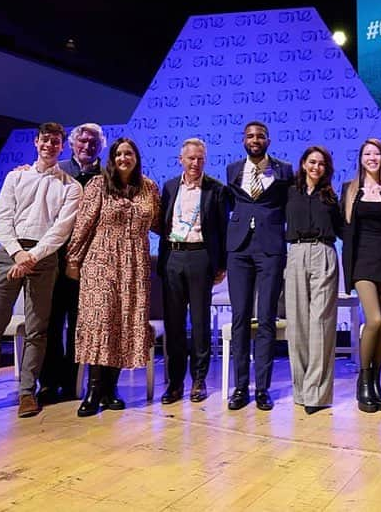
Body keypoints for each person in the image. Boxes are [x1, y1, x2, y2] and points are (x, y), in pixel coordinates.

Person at [0, 122, 82, 420]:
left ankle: (28, 391)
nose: (50, 145)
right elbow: (1, 219)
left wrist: (32, 257)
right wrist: (18, 253)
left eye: (56, 141)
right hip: (9, 254)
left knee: (38, 328)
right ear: (36, 142)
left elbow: (61, 230)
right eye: (45, 140)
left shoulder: (71, 186)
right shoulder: (16, 177)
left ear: (62, 146)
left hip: (44, 257)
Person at [65, 138, 160, 417]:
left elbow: (160, 223)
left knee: (124, 322)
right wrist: (73, 258)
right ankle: (93, 391)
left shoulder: (149, 187)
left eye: (128, 153)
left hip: (135, 263)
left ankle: (111, 390)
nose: (123, 158)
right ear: (112, 158)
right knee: (100, 321)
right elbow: (83, 224)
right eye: (118, 153)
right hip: (101, 260)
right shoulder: (98, 185)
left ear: (136, 157)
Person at [225, 121, 293, 411]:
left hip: (270, 249)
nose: (255, 140)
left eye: (260, 136)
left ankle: (263, 388)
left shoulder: (285, 170)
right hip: (239, 249)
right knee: (240, 318)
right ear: (243, 140)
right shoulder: (232, 170)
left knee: (266, 318)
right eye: (250, 136)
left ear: (268, 140)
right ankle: (241, 387)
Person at [38, 122, 106, 404]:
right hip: (56, 258)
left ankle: (74, 381)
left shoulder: (110, 175)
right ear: (73, 143)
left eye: (93, 143)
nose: (87, 146)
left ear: (101, 146)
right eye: (82, 141)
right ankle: (49, 382)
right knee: (51, 323)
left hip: (93, 263)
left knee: (83, 325)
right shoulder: (57, 171)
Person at [158, 138, 228, 405]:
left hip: (201, 257)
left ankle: (199, 381)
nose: (195, 163)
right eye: (191, 159)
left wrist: (221, 265)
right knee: (174, 325)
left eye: (200, 159)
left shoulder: (216, 189)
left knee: (199, 323)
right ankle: (174, 383)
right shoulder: (169, 187)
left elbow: (223, 230)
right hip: (173, 257)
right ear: (181, 160)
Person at [341, 138, 381, 413]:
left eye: (376, 154)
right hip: (362, 261)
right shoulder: (350, 190)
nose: (372, 158)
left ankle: (376, 384)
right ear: (360, 158)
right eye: (367, 153)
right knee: (374, 320)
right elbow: (344, 228)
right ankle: (363, 381)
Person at [284, 146, 342, 415]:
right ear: (303, 164)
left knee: (321, 323)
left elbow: (344, 229)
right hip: (295, 252)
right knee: (297, 324)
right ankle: (301, 390)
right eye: (311, 162)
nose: (316, 167)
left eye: (321, 163)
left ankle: (316, 394)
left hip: (324, 252)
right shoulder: (289, 191)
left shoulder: (331, 197)